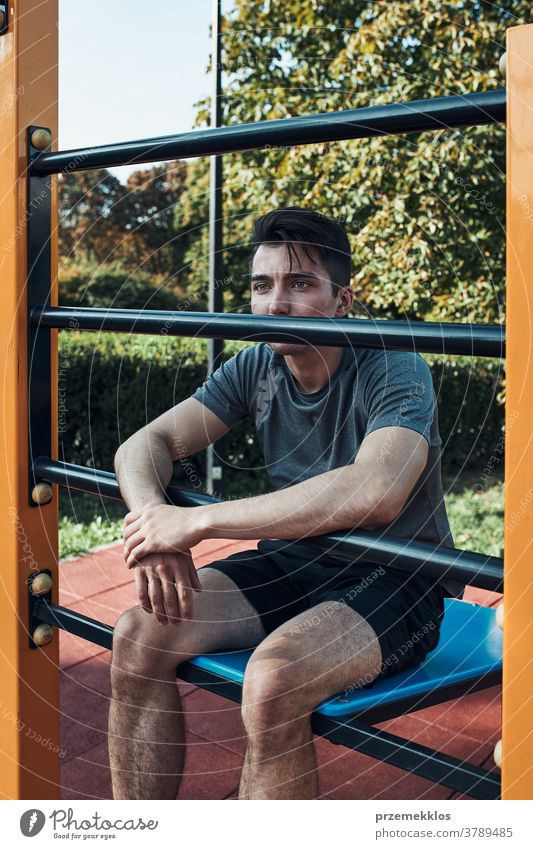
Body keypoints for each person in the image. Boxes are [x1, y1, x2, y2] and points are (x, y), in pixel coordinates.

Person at [108, 206, 459, 800]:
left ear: (342, 299)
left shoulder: (395, 362)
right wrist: (152, 529)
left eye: (300, 285)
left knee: (272, 683)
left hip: (397, 574)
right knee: (136, 636)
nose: (276, 304)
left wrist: (196, 522)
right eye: (262, 285)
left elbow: (377, 488)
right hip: (293, 561)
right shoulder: (257, 363)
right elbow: (145, 445)